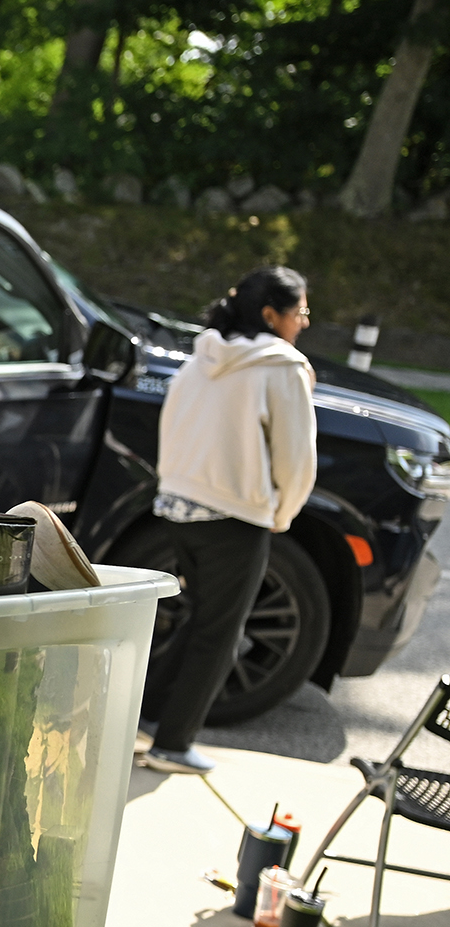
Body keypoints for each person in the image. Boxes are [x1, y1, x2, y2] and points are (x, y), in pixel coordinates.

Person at [138, 265, 316, 774]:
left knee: (200, 621)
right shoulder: (282, 368)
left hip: (177, 509)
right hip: (235, 516)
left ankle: (142, 718)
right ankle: (173, 744)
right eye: (300, 312)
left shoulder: (201, 358)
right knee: (219, 633)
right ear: (271, 315)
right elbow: (296, 460)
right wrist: (279, 514)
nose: (304, 323)